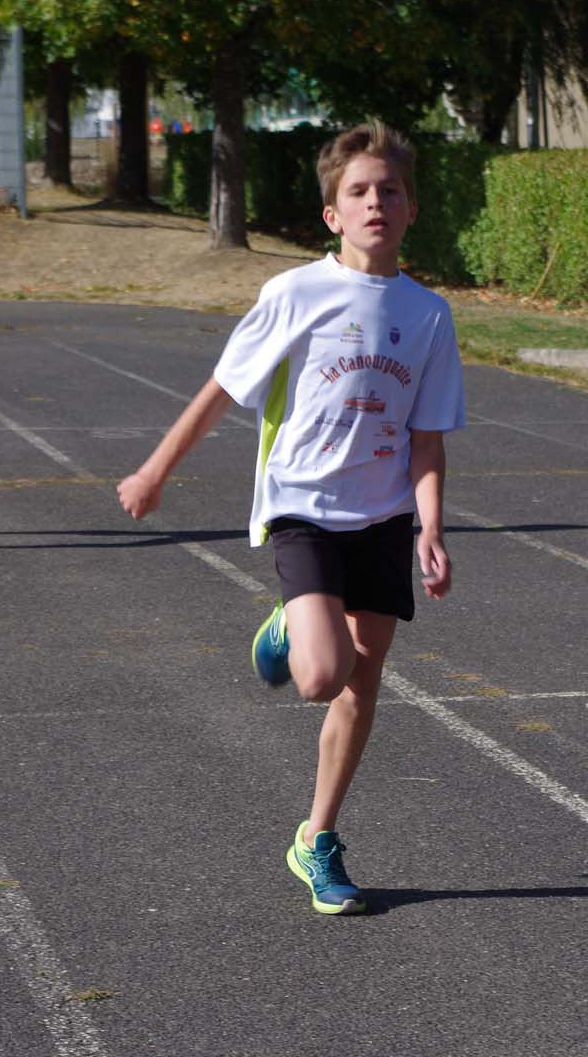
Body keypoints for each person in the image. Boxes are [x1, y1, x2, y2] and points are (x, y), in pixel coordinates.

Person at [116, 122, 466, 915]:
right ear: (332, 215)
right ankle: (286, 626)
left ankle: (317, 839)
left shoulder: (428, 315)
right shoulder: (296, 294)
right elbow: (221, 390)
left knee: (360, 684)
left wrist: (431, 530)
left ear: (411, 210)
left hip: (381, 519)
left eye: (390, 190)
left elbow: (426, 436)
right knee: (319, 676)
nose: (375, 201)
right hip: (302, 506)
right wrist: (153, 471)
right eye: (358, 191)